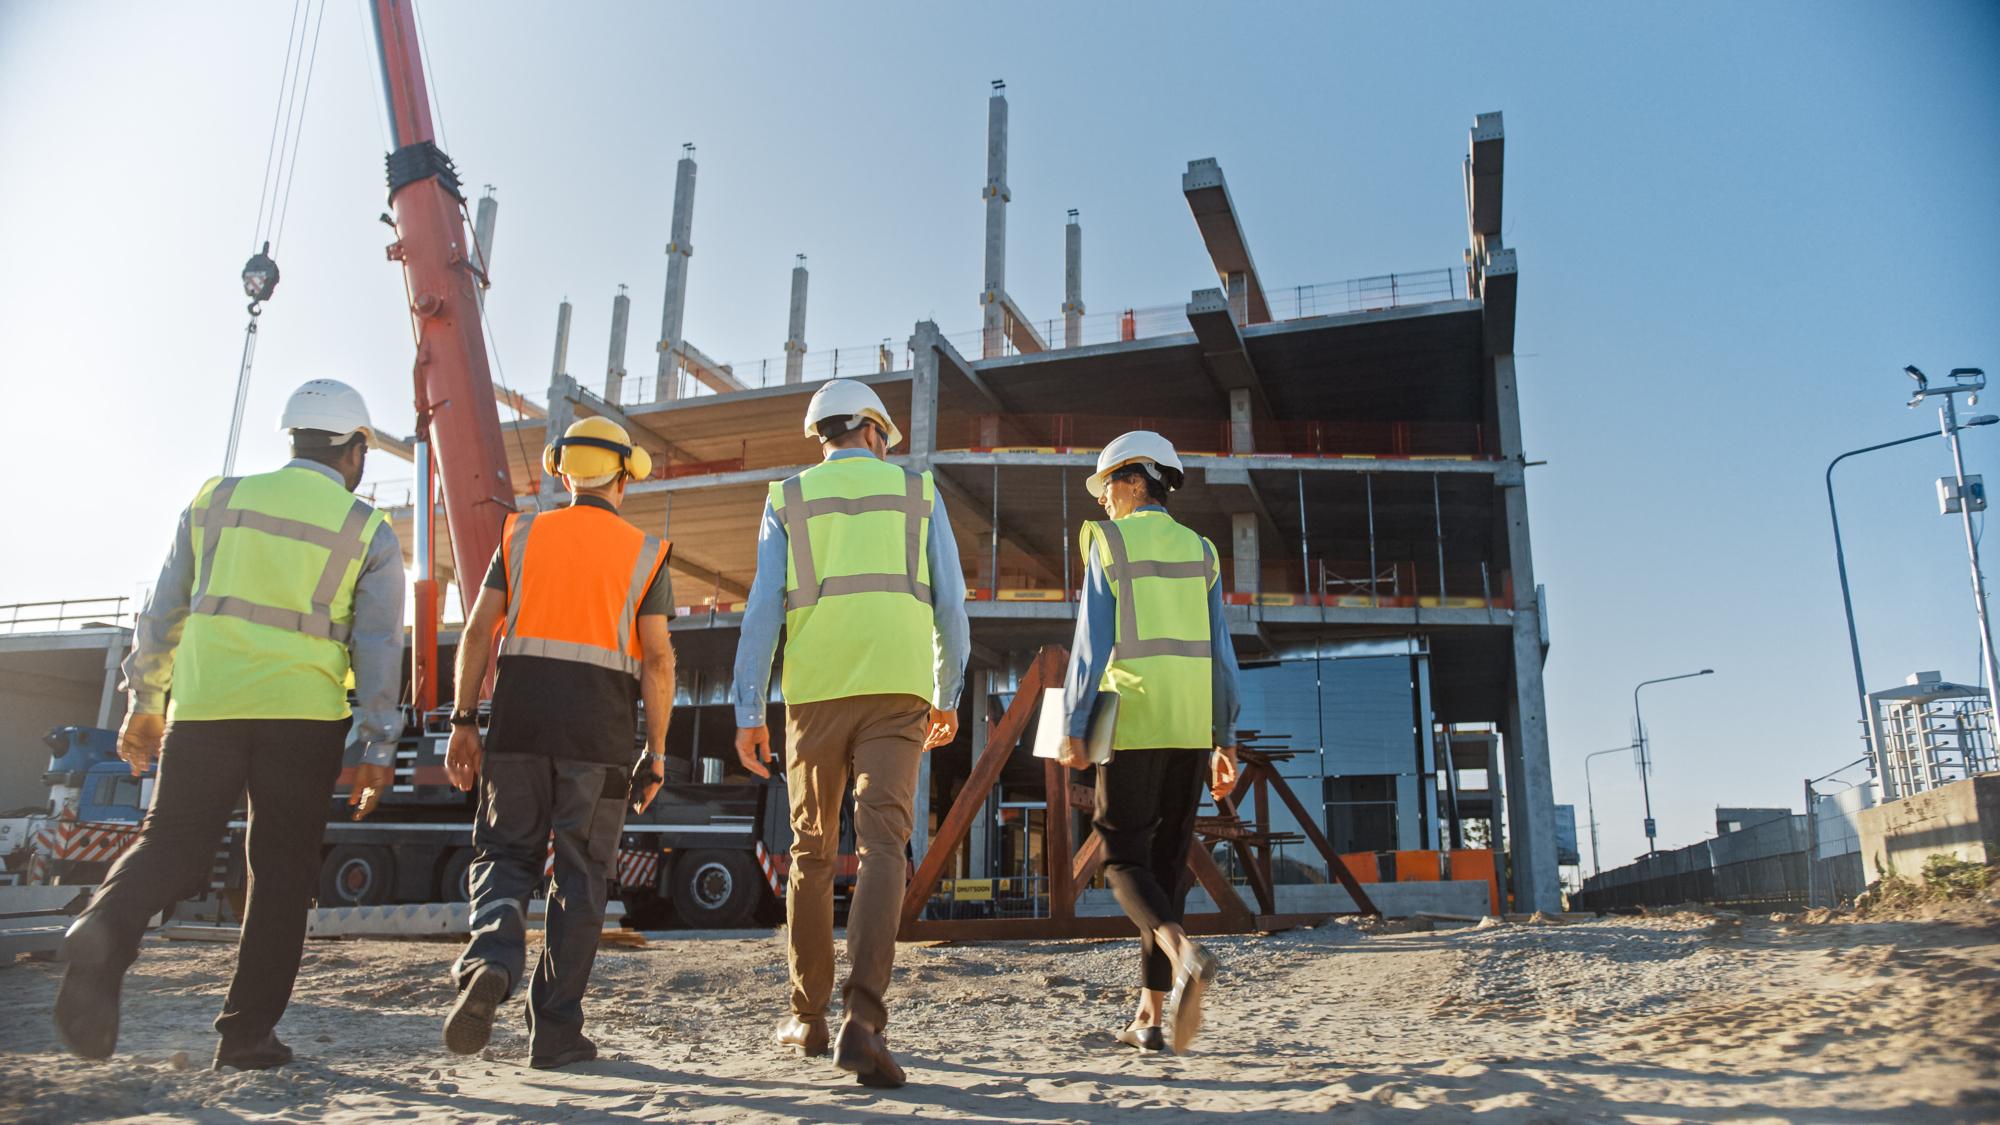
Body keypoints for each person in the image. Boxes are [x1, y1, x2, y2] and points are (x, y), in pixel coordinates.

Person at [54, 378, 405, 1069]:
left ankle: (104, 925)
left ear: (292, 438)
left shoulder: (215, 499)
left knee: (172, 844)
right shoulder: (368, 529)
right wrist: (375, 745)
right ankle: (246, 1036)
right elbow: (378, 648)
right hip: (302, 717)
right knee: (279, 873)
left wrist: (144, 703)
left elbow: (161, 612)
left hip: (206, 704)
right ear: (357, 450)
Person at [732, 379, 969, 1088]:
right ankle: (863, 1022)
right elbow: (951, 605)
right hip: (900, 693)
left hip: (814, 695)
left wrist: (750, 708)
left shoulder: (787, 498)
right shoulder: (920, 494)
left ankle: (806, 1017)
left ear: (823, 433)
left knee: (809, 849)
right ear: (872, 430)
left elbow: (761, 612)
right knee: (882, 847)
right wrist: (948, 691)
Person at [439, 416, 676, 1069]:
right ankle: (556, 1032)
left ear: (563, 472)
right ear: (623, 478)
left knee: (505, 854)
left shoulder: (520, 534)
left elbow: (480, 630)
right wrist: (655, 751)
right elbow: (658, 661)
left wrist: (463, 720)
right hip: (598, 738)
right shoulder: (647, 553)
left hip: (516, 726)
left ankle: (490, 957)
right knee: (580, 876)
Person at [1058, 430, 1241, 1055]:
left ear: (1137, 480)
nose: (1104, 499)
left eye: (1108, 484)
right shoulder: (1203, 552)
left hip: (1133, 719)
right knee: (1164, 872)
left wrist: (1074, 724)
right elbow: (1222, 652)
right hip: (1191, 727)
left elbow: (1091, 642)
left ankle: (1184, 953)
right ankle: (1150, 1019)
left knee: (1120, 859)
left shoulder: (1107, 542)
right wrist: (1225, 738)